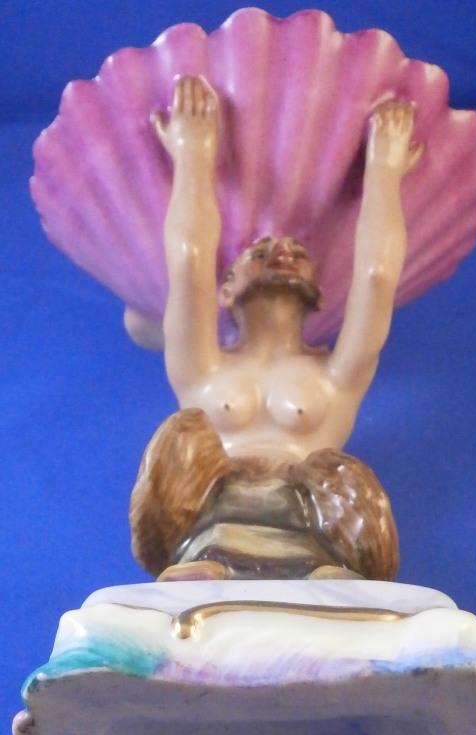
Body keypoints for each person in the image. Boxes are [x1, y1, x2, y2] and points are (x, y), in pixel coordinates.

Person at [129, 76, 423, 582]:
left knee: (337, 559)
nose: (281, 251)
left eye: (297, 253)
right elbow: (190, 260)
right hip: (212, 519)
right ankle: (207, 570)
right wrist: (194, 155)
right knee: (183, 457)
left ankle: (326, 581)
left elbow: (377, 276)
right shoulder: (201, 364)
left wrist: (384, 170)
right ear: (225, 289)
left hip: (314, 521)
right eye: (259, 252)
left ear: (321, 292)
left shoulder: (338, 374)